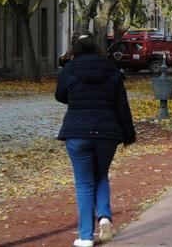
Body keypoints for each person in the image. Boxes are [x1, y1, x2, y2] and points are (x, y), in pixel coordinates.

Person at [55, 31, 136, 247]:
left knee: (83, 183)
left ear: (75, 49)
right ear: (97, 47)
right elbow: (122, 104)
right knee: (101, 175)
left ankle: (85, 236)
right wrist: (129, 134)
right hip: (107, 132)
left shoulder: (69, 69)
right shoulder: (112, 69)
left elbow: (60, 95)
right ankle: (105, 217)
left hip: (77, 131)